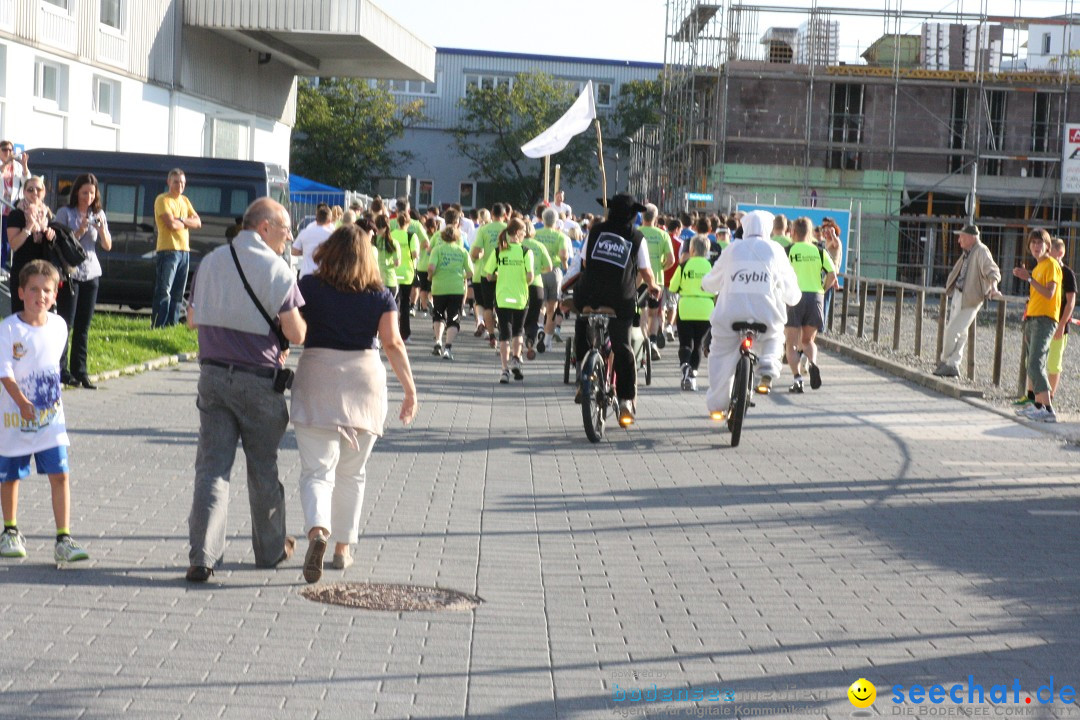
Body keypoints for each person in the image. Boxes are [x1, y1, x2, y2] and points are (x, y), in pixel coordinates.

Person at [184, 198, 306, 583]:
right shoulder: (278, 269)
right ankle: (270, 551)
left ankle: (203, 556)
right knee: (263, 467)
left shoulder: (212, 261)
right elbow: (296, 333)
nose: (289, 237)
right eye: (286, 229)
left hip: (214, 377)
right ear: (265, 227)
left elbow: (191, 319)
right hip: (258, 380)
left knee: (212, 469)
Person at [291, 221, 416, 582]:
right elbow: (392, 343)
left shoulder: (309, 286)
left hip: (317, 374)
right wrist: (410, 390)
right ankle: (343, 548)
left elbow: (291, 328)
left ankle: (318, 531)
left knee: (317, 470)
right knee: (352, 472)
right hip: (364, 380)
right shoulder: (380, 294)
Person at [0, 260, 89, 563]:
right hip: (15, 420)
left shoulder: (60, 326)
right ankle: (10, 530)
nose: (41, 295)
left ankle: (63, 538)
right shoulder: (8, 329)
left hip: (51, 422)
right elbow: (6, 373)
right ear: (21, 292)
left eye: (47, 290)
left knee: (60, 474)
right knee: (11, 476)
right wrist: (22, 401)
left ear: (55, 295)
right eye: (34, 289)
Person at [702, 209, 800, 417]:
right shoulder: (775, 250)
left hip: (730, 316)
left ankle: (718, 404)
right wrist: (792, 298)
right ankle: (767, 368)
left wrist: (706, 286)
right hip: (765, 316)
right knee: (774, 336)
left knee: (720, 354)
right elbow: (790, 286)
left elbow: (712, 280)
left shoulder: (732, 249)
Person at [573, 194, 661, 425]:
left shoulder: (595, 231)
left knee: (582, 325)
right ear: (634, 215)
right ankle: (625, 401)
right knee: (622, 347)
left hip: (589, 294)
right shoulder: (636, 236)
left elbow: (584, 263)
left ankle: (584, 376)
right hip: (620, 298)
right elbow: (647, 271)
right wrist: (652, 286)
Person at [54, 173, 112, 390]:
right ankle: (62, 370)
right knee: (65, 323)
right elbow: (60, 243)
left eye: (92, 192)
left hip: (91, 273)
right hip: (71, 273)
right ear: (77, 191)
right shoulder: (65, 213)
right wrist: (80, 230)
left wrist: (101, 229)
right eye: (84, 192)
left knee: (83, 326)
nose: (88, 196)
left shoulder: (98, 214)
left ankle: (81, 370)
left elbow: (107, 245)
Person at [932, 224, 1003, 378]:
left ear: (971, 238)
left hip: (971, 298)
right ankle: (953, 365)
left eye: (962, 237)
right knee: (961, 333)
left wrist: (993, 287)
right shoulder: (969, 252)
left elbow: (993, 271)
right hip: (960, 295)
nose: (959, 240)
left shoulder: (981, 251)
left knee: (952, 330)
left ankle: (944, 361)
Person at [1012, 228, 1062, 423]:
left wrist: (1029, 278)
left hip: (1045, 319)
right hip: (1033, 319)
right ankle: (1038, 405)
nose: (1035, 246)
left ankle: (1048, 408)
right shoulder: (1038, 266)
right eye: (1032, 243)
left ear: (1047, 246)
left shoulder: (1050, 264)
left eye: (1039, 243)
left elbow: (1049, 293)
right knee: (1030, 363)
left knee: (1035, 362)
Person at [784, 217, 837, 393]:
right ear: (810, 232)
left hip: (794, 297)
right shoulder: (819, 250)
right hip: (815, 297)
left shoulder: (788, 251)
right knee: (808, 341)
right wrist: (822, 289)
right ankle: (813, 364)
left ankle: (798, 379)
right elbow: (832, 274)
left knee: (791, 344)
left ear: (793, 232)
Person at [484, 217, 534, 383]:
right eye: (524, 232)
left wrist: (501, 275)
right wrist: (520, 279)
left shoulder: (499, 251)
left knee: (505, 334)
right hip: (520, 297)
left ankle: (504, 370)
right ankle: (516, 359)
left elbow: (488, 275)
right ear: (519, 233)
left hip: (502, 297)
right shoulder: (526, 252)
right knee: (518, 331)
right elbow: (530, 277)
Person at [152, 168, 201, 328]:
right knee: (164, 290)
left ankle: (171, 325)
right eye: (176, 182)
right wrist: (186, 221)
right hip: (168, 251)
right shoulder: (162, 200)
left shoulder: (185, 201)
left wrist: (181, 219)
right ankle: (159, 325)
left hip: (184, 251)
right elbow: (171, 224)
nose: (179, 185)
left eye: (182, 182)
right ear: (169, 182)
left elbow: (198, 222)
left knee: (178, 293)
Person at [668, 235, 716, 391]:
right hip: (705, 308)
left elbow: (673, 287)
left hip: (686, 307)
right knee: (699, 344)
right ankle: (692, 375)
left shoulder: (684, 265)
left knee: (685, 343)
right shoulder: (711, 266)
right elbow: (718, 289)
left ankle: (685, 367)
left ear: (692, 249)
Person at [5, 175, 56, 315]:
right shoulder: (17, 214)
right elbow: (14, 245)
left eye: (38, 189)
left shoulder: (48, 216)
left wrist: (51, 236)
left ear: (44, 192)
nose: (35, 193)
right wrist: (28, 229)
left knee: (42, 315)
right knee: (20, 314)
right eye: (30, 189)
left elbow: (52, 247)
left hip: (44, 273)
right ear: (24, 192)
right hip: (22, 272)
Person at [427, 209, 473, 361]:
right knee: (453, 318)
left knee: (438, 315)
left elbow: (431, 267)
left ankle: (438, 341)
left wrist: (430, 276)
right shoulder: (462, 251)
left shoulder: (437, 249)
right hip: (456, 288)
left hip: (439, 287)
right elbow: (471, 272)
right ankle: (448, 347)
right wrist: (462, 276)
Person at [640, 204, 675, 361]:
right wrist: (661, 266)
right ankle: (652, 343)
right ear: (656, 217)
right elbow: (671, 260)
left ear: (642, 216)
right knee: (654, 314)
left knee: (641, 311)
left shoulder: (636, 233)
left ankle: (641, 342)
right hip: (657, 280)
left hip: (638, 279)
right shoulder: (663, 235)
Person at [535, 207, 571, 353]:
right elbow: (564, 254)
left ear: (542, 220)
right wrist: (565, 265)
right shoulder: (560, 236)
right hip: (554, 272)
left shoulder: (536, 234)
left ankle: (538, 328)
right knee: (552, 308)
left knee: (539, 305)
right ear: (556, 221)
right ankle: (548, 343)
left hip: (539, 272)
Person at [470, 203, 507, 346]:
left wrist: (476, 258)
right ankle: (504, 334)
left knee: (487, 306)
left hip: (486, 272)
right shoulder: (508, 229)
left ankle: (491, 336)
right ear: (505, 215)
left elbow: (475, 252)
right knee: (503, 306)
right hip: (504, 272)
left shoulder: (484, 229)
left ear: (492, 214)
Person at [1048, 238, 1076, 399]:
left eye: (1049, 249)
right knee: (1036, 362)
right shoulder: (1044, 269)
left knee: (1053, 364)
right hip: (1043, 322)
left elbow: (1071, 302)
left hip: (1059, 325)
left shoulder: (1067, 274)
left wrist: (1061, 325)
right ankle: (1035, 398)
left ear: (1060, 253)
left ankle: (1049, 397)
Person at [521, 222, 553, 360]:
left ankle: (514, 345)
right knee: (533, 318)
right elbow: (549, 267)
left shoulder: (516, 246)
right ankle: (530, 341)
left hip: (519, 285)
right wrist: (538, 271)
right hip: (536, 285)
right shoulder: (539, 246)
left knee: (517, 318)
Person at [1, 140, 31, 270]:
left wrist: (24, 165)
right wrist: (6, 163)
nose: (8, 152)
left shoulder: (17, 167)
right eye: (4, 150)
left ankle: (2, 265)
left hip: (11, 208)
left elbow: (27, 181)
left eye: (10, 150)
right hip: (1, 208)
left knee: (7, 241)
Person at [291, 203, 334, 278]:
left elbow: (294, 251)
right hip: (324, 275)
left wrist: (305, 251)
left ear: (316, 219)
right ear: (329, 221)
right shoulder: (332, 235)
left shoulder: (305, 232)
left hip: (306, 274)